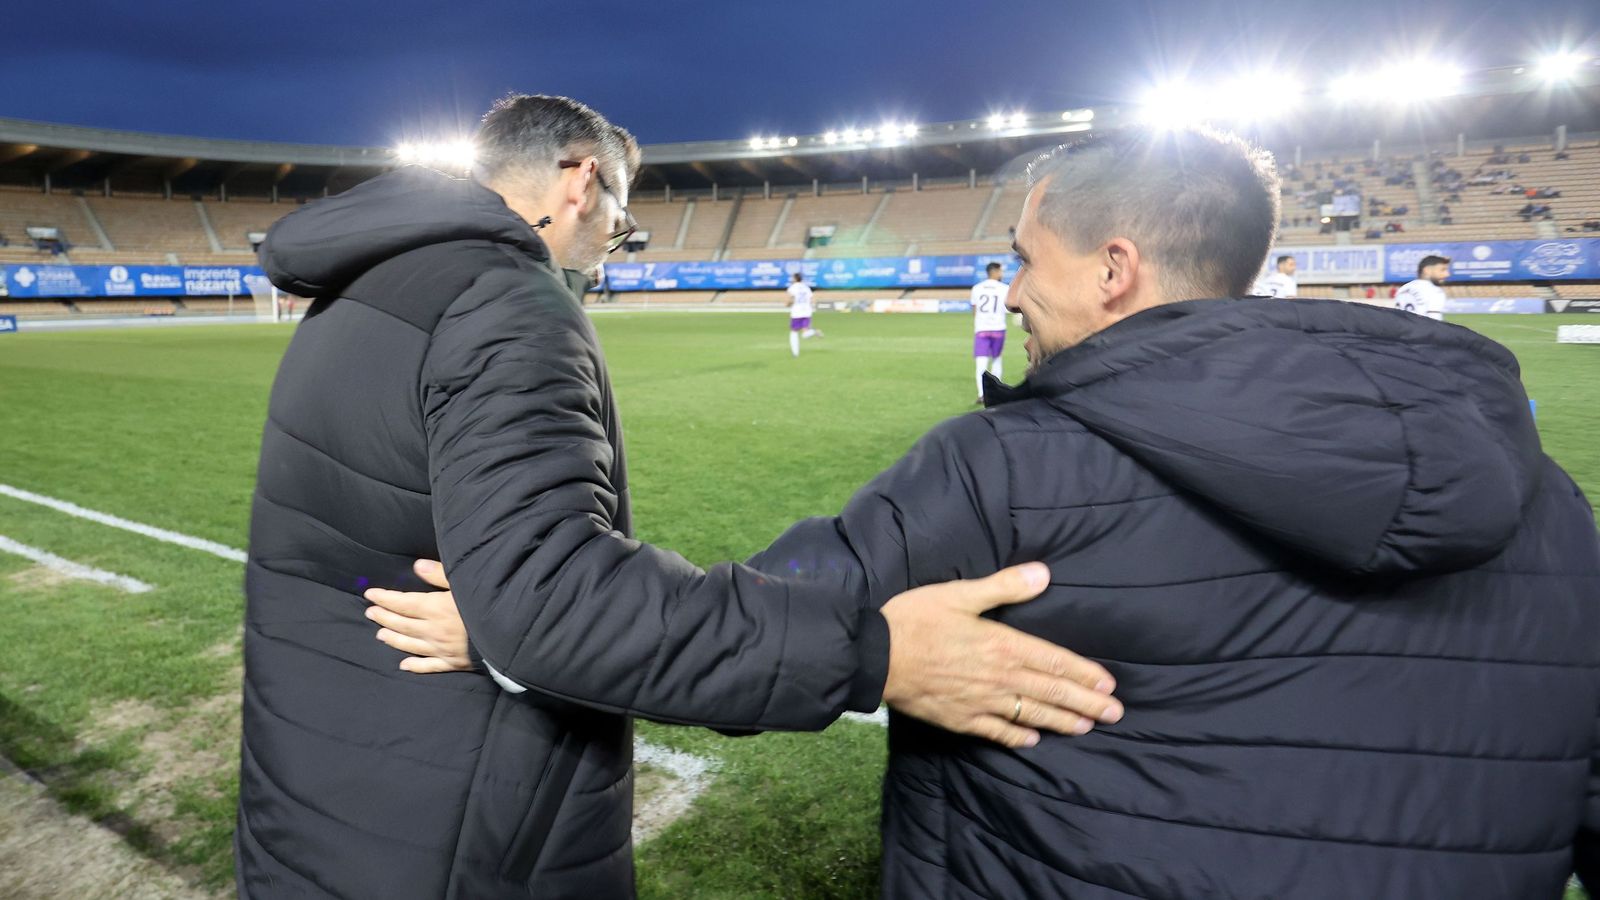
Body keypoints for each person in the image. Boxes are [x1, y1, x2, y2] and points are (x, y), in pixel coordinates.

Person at [384, 127, 1600, 899]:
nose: (1012, 291)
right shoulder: (1546, 506)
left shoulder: (1006, 468)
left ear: (1112, 268)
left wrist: (514, 622)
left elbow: (742, 628)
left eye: (1025, 258)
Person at [236, 93, 1122, 899]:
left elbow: (398, 554)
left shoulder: (361, 286)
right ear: (583, 181)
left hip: (319, 801)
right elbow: (551, 607)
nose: (616, 242)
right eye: (620, 221)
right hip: (454, 836)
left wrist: (499, 619)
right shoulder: (506, 302)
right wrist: (872, 653)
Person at [970, 261, 1009, 401]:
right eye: (1001, 271)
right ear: (995, 271)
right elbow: (1007, 308)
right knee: (997, 359)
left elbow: (974, 310)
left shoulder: (976, 288)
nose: (1002, 273)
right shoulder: (1004, 288)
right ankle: (995, 393)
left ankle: (982, 394)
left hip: (982, 329)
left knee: (981, 362)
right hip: (998, 328)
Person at [1395, 254, 1450, 320]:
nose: (1447, 274)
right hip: (1422, 329)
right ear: (1427, 270)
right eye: (1442, 270)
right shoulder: (1434, 291)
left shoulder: (1403, 288)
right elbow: (1435, 324)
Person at [785, 271, 820, 355]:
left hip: (797, 312)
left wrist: (788, 304)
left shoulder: (793, 287)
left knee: (794, 332)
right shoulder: (806, 287)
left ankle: (795, 353)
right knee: (805, 333)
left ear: (795, 278)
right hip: (807, 311)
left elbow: (791, 298)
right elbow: (811, 298)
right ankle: (814, 332)